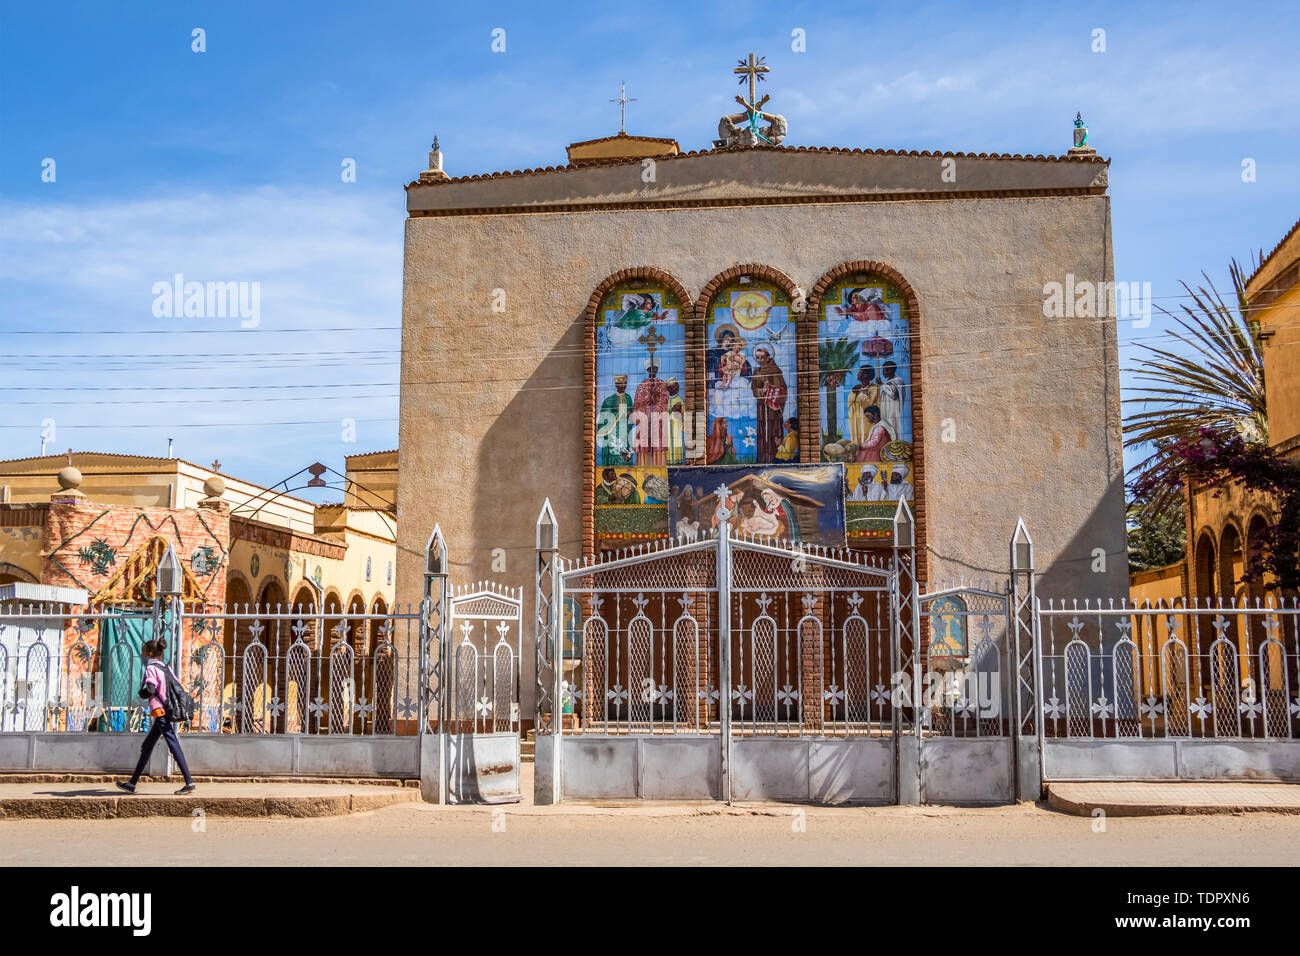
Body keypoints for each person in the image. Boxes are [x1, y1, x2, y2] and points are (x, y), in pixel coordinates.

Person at [116, 638, 196, 795]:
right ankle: (132, 783)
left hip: (161, 711)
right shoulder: (165, 667)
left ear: (150, 653)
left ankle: (189, 782)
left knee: (172, 742)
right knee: (148, 745)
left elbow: (152, 688)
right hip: (167, 709)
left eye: (144, 650)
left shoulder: (151, 667)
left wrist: (143, 692)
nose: (142, 653)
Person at [749, 345, 788, 463]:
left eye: (762, 357)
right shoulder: (756, 372)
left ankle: (775, 458)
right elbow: (754, 389)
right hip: (762, 408)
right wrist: (764, 391)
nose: (759, 360)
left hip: (773, 409)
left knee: (774, 432)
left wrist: (772, 391)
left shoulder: (776, 371)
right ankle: (762, 459)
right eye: (757, 358)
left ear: (768, 357)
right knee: (762, 433)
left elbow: (783, 389)